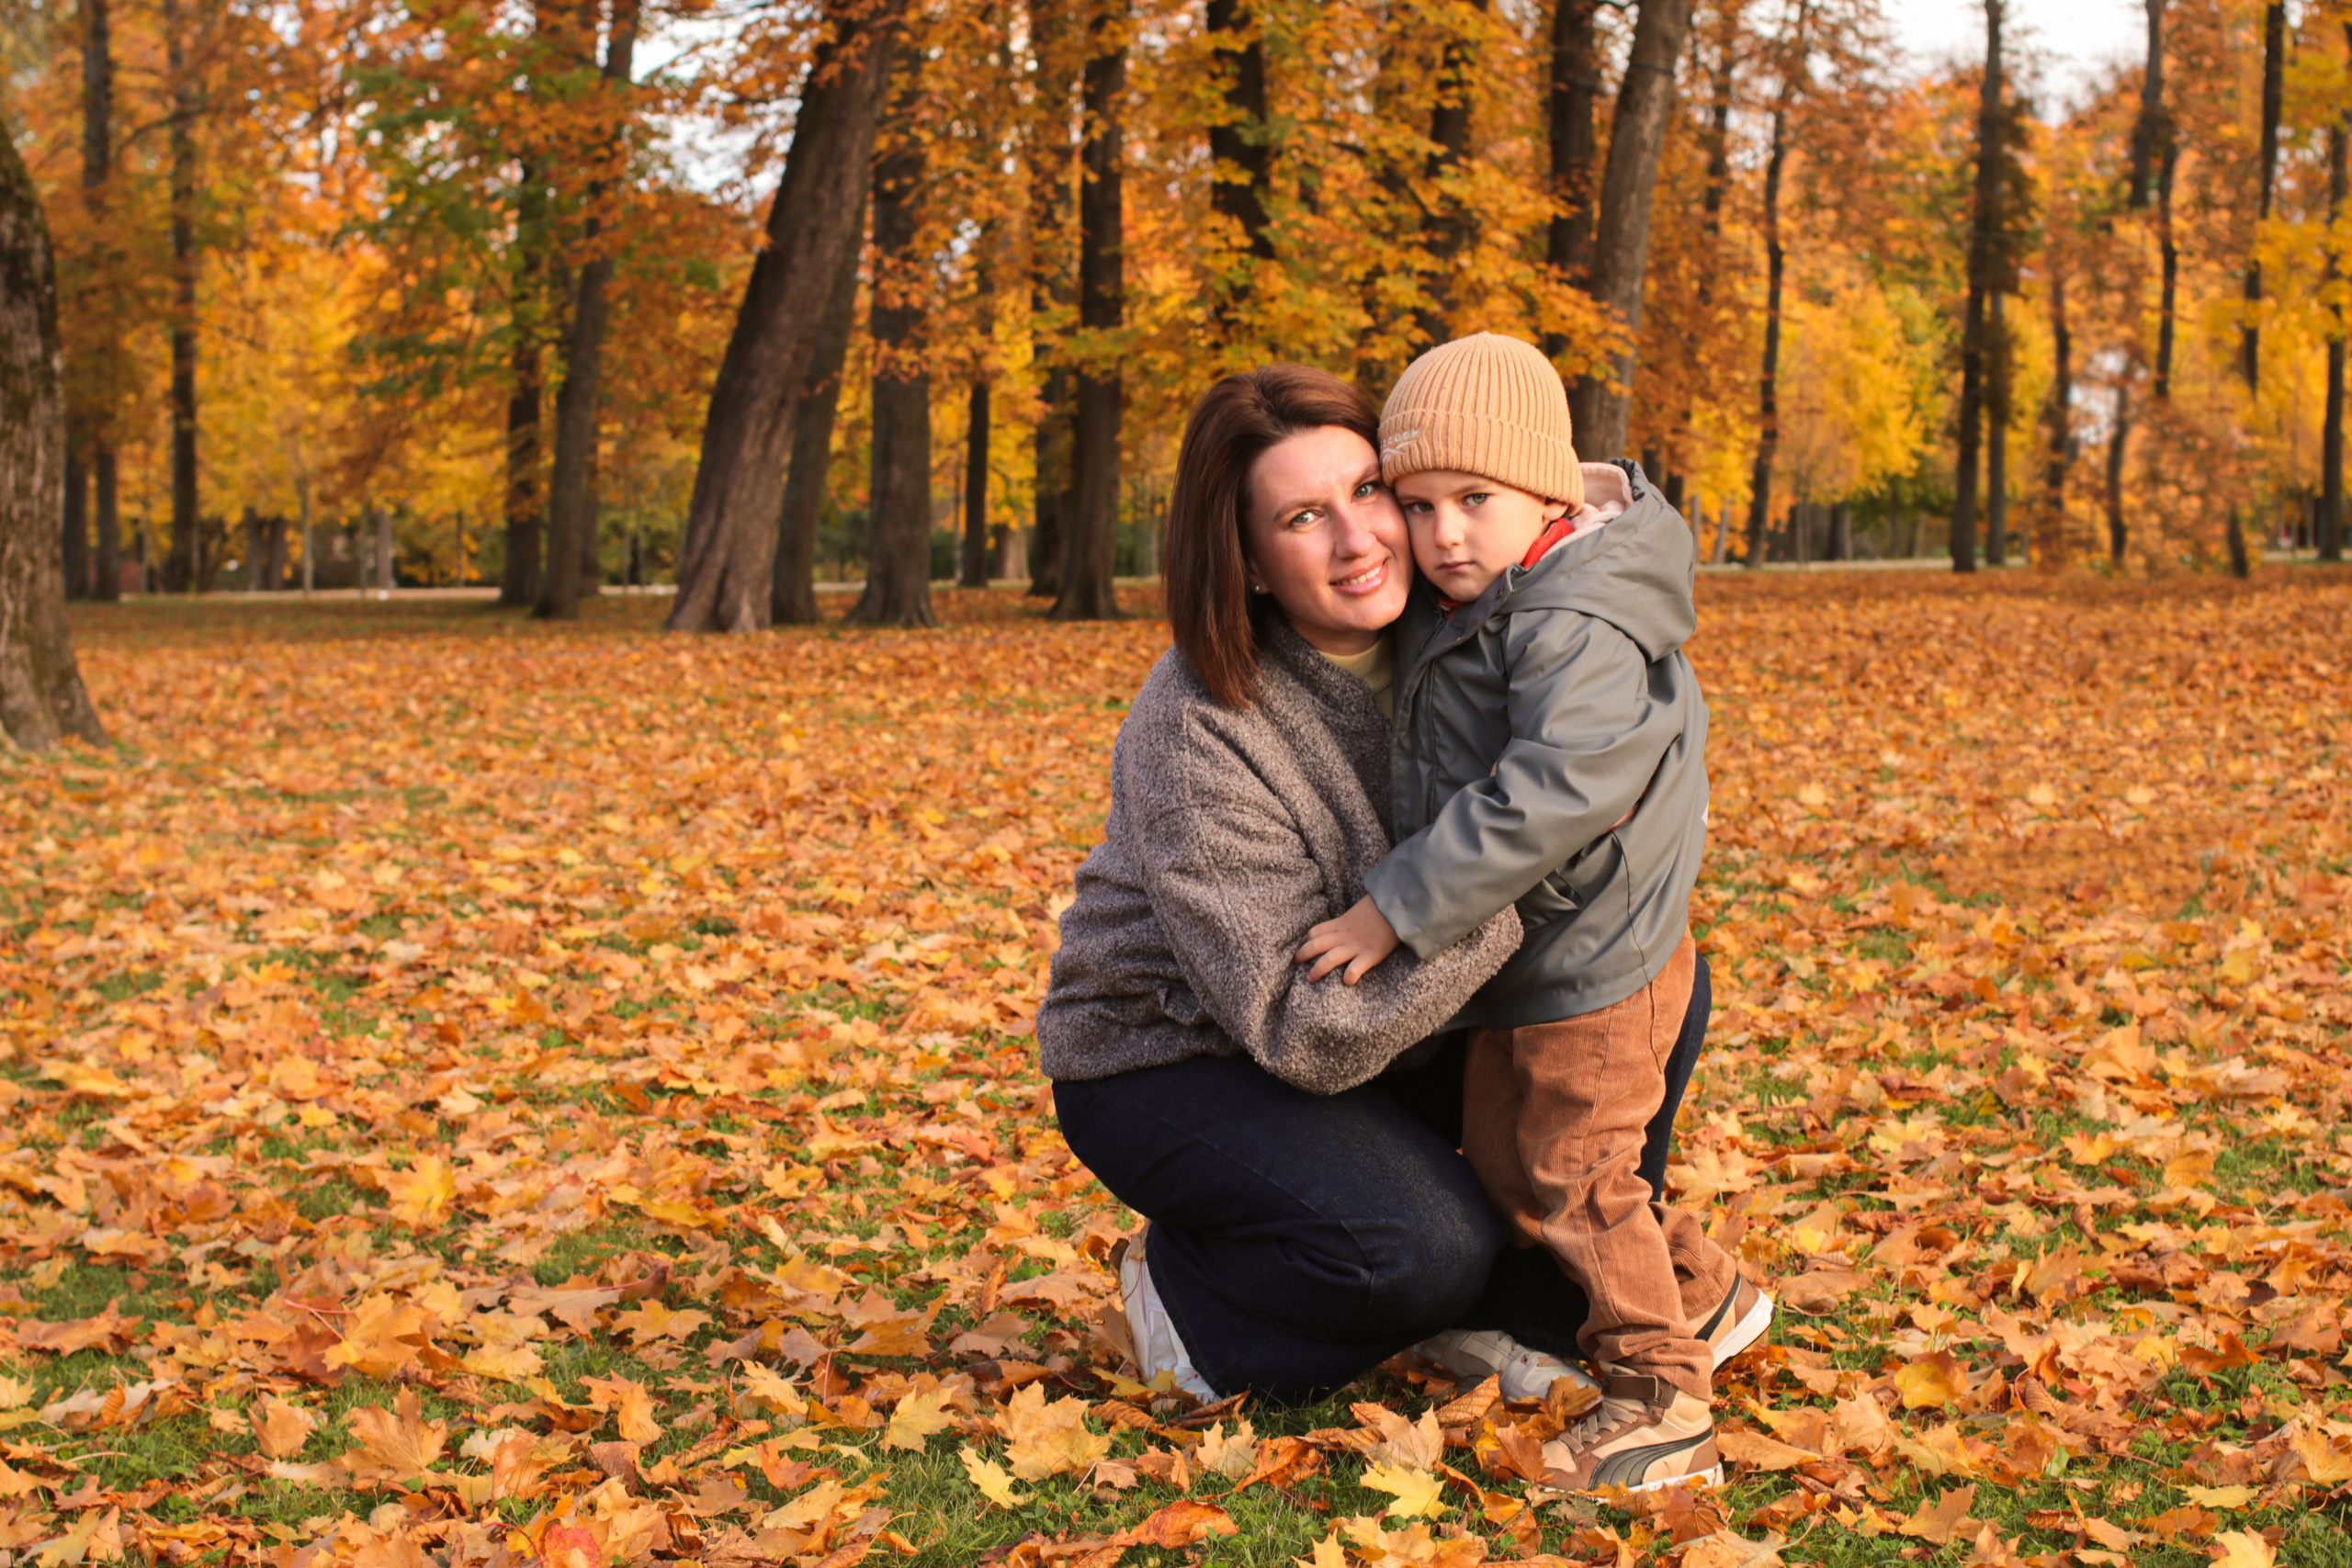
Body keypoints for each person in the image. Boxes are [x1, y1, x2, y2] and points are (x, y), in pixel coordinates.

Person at [1038, 364, 1723, 1405]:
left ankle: (1534, 1295)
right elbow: (1297, 1029)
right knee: (1417, 1249)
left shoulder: (1462, 624)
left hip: (1386, 1006)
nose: (1361, 540)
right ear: (1252, 562)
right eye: (1304, 517)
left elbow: (1615, 750)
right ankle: (1190, 1295)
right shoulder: (1197, 734)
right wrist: (1517, 882)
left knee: (1640, 975)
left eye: (1369, 492)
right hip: (1188, 1051)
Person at [1295, 333, 1770, 1492]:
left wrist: (1390, 911)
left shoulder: (1573, 617)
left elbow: (1557, 786)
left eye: (1474, 497)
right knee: (1509, 1162)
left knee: (1572, 1169)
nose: (1443, 532)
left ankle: (1660, 1401)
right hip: (1541, 951)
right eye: (1417, 502)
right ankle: (1706, 1295)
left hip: (1598, 956)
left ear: (1547, 490)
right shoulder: (1504, 589)